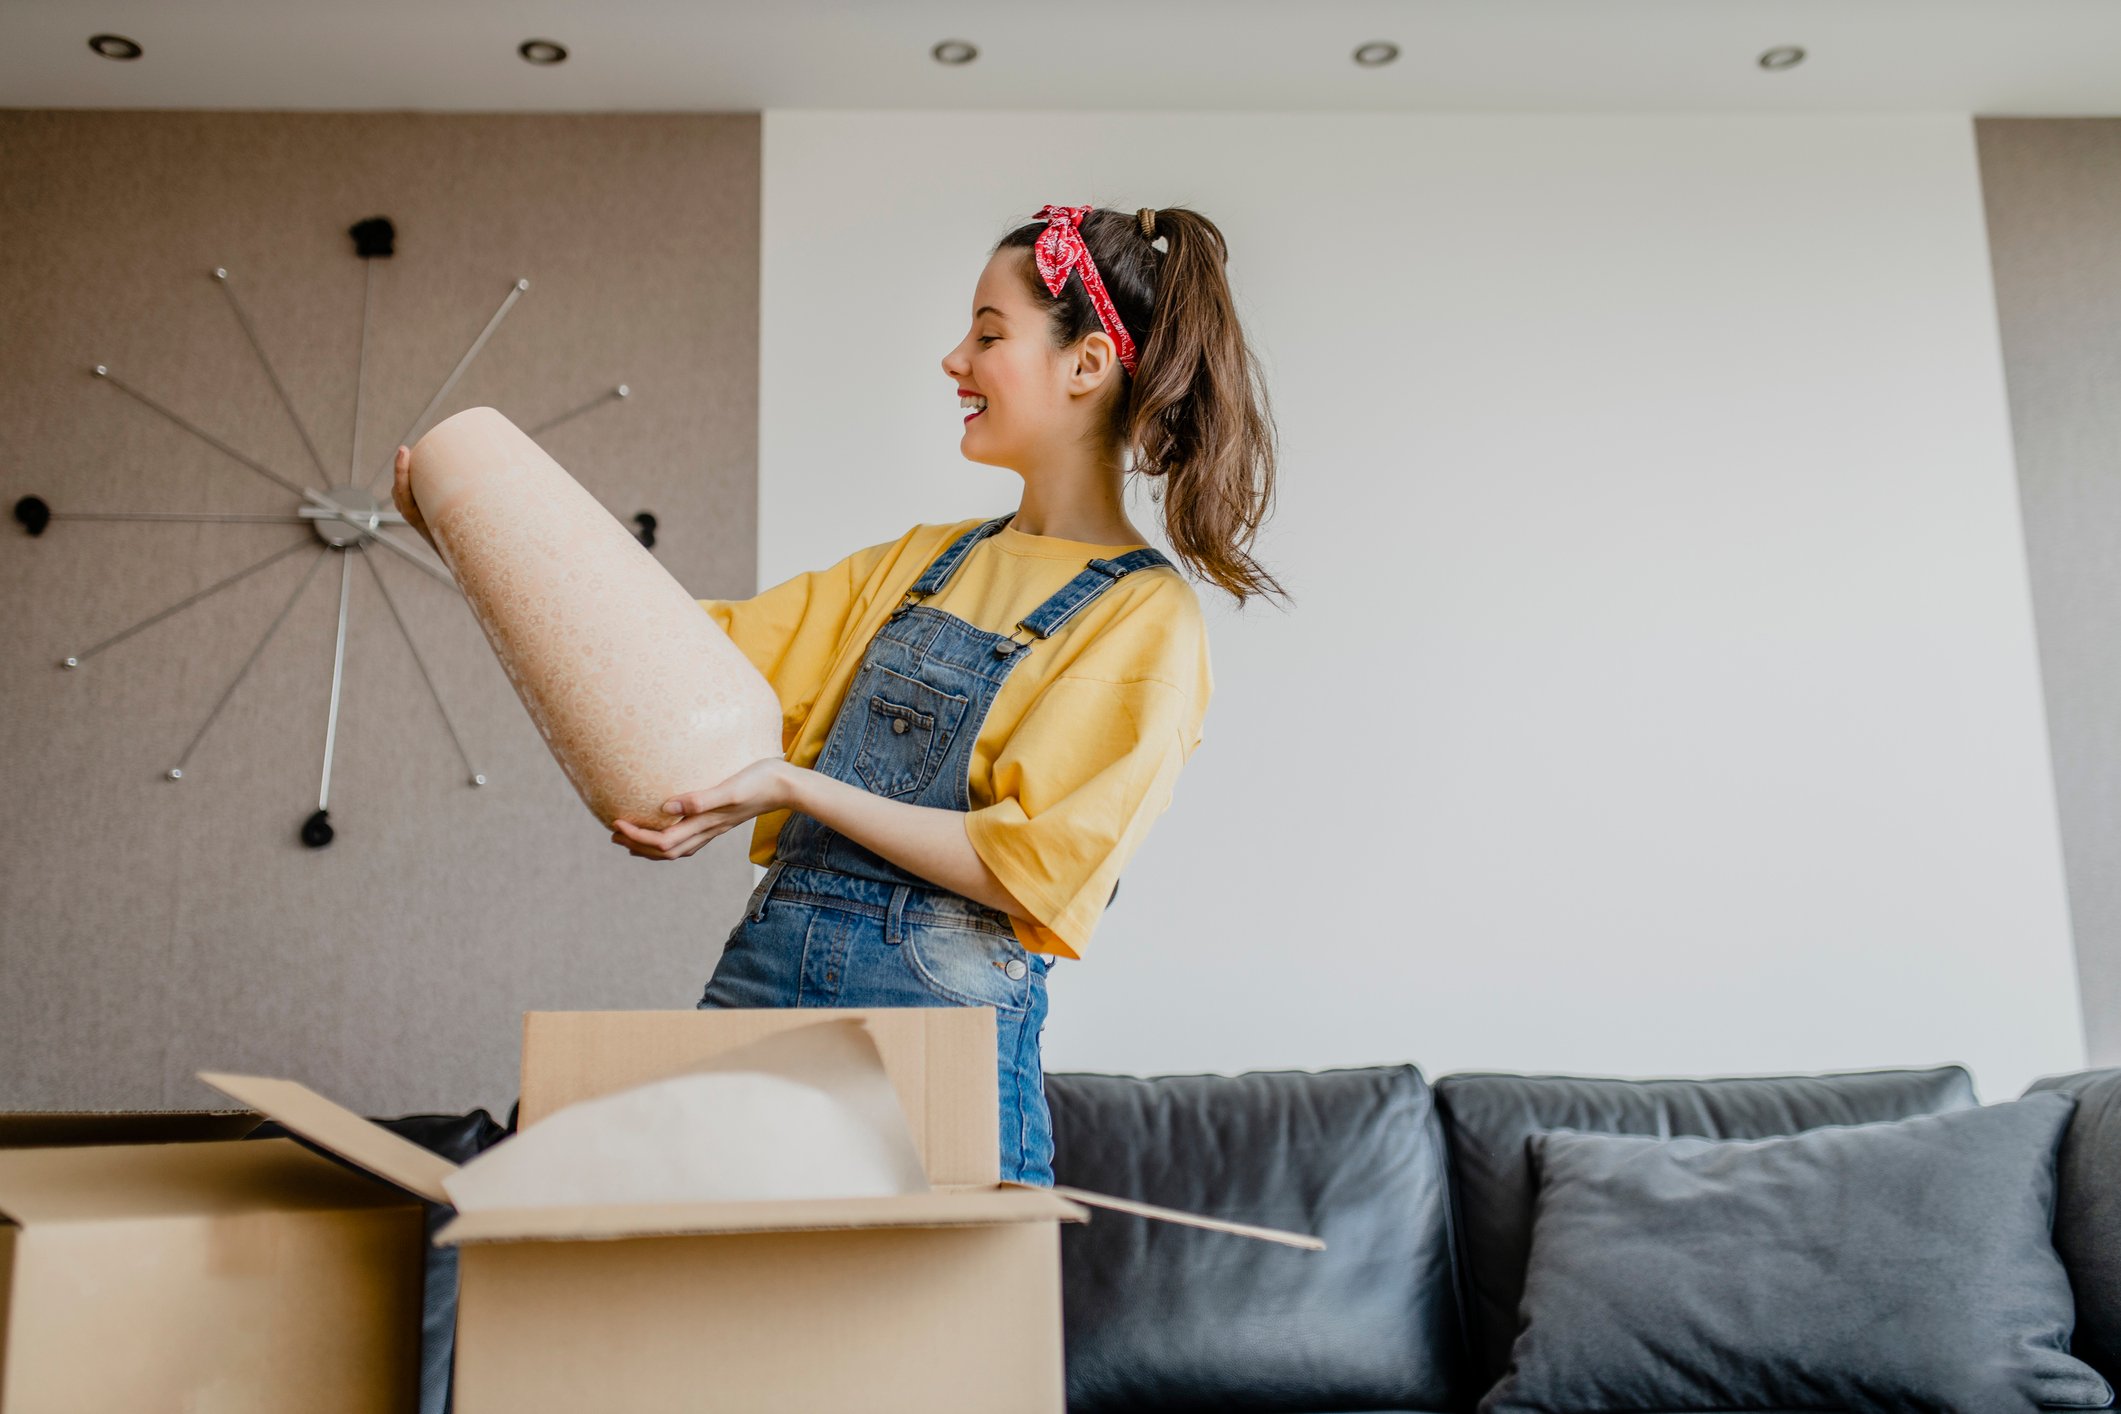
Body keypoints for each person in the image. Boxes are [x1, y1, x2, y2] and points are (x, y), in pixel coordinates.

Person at [398, 203, 1287, 1187]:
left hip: (939, 1024)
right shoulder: (922, 563)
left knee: (923, 1335)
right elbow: (684, 651)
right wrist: (474, 529)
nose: (956, 359)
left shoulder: (1143, 618)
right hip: (766, 982)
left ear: (1085, 365)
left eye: (989, 334)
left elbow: (1028, 868)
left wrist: (798, 786)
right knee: (707, 1314)